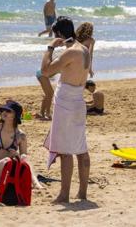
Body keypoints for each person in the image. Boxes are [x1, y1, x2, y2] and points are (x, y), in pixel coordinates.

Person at [41, 16, 91, 203]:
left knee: (65, 150)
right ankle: (82, 193)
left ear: (60, 34)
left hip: (66, 103)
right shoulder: (84, 49)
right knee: (81, 148)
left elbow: (45, 71)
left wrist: (50, 48)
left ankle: (64, 194)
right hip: (78, 100)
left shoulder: (70, 53)